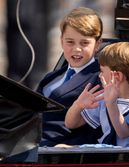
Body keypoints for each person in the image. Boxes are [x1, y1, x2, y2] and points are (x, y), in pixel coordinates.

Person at [36, 7, 103, 147]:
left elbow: (95, 125)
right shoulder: (51, 77)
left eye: (84, 43)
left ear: (97, 44)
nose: (77, 49)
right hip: (29, 143)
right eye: (70, 42)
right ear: (61, 41)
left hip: (59, 149)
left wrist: (72, 147)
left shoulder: (99, 78)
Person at [64, 42, 129, 147]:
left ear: (117, 76)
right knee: (61, 147)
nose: (100, 75)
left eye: (102, 71)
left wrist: (110, 102)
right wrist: (78, 105)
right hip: (105, 152)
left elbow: (123, 134)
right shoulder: (102, 98)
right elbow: (71, 124)